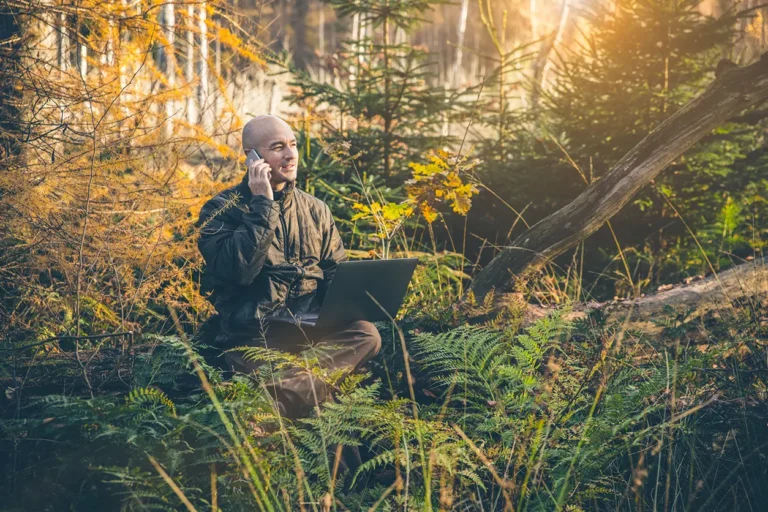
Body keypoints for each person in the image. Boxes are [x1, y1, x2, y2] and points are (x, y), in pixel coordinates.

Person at [197, 115, 381, 417]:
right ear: (252, 158)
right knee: (325, 410)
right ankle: (306, 390)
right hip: (254, 337)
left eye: (293, 145)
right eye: (277, 147)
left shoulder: (315, 209)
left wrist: (356, 301)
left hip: (310, 330)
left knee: (367, 333)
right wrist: (263, 206)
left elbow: (336, 274)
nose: (291, 154)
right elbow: (238, 272)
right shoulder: (221, 210)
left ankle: (283, 395)